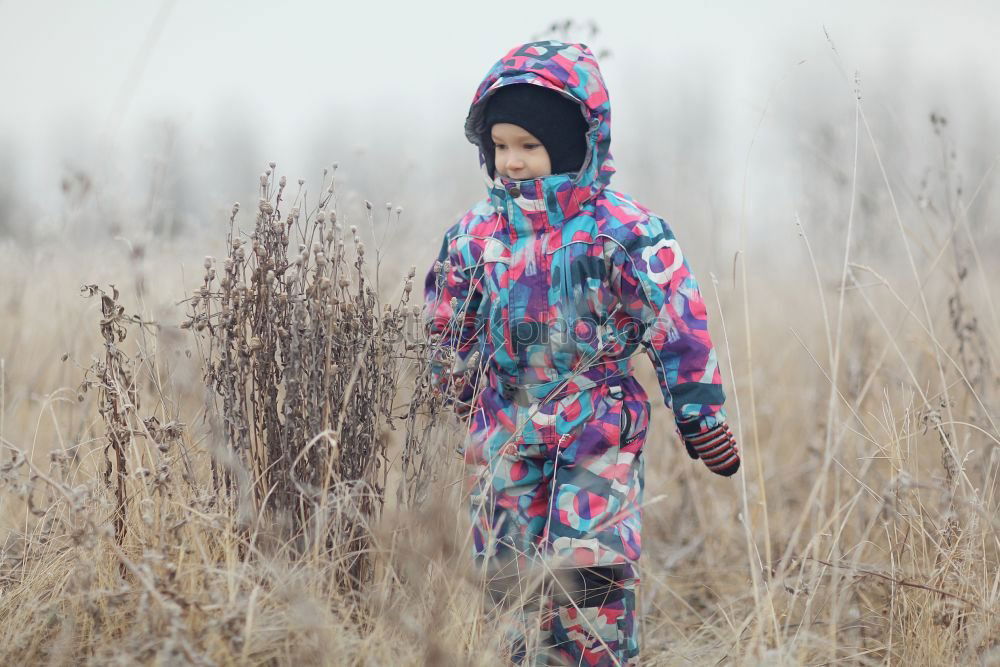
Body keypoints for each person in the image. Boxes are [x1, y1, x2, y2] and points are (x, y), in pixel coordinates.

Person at [423, 40, 740, 666]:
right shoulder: (474, 235)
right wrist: (453, 385)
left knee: (591, 569)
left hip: (596, 426)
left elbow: (677, 322)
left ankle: (595, 656)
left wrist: (700, 417)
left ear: (574, 142)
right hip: (503, 430)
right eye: (501, 146)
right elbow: (448, 320)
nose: (512, 162)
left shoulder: (623, 231)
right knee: (510, 574)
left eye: (529, 146)